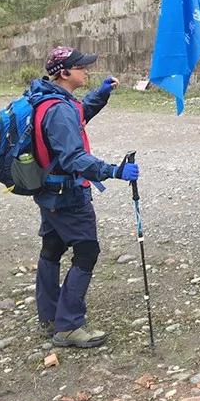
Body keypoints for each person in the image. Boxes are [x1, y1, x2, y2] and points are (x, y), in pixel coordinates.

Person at [31, 46, 140, 348]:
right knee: (87, 251)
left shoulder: (49, 99)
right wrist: (114, 171)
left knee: (52, 246)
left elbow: (77, 118)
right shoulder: (59, 109)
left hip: (48, 190)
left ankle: (50, 315)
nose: (86, 71)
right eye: (80, 67)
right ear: (64, 72)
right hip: (68, 193)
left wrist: (101, 94)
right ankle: (68, 326)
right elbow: (74, 157)